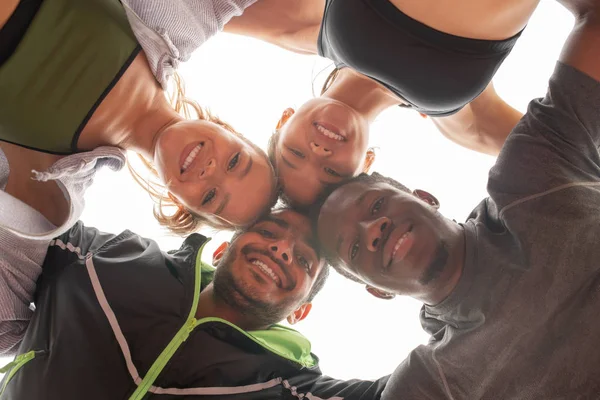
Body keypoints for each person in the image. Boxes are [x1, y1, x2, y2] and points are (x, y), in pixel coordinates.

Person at [312, 0, 600, 396]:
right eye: (355, 249)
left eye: (376, 206)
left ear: (426, 197)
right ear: (379, 291)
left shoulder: (530, 178)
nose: (373, 229)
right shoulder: (430, 383)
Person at [0, 208, 388, 399]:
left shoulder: (290, 385)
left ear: (300, 311)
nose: (281, 249)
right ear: (220, 251)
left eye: (304, 260)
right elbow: (30, 209)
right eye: (269, 231)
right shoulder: (115, 256)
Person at [0, 0, 275, 240]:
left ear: (177, 204)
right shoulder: (184, 20)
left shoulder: (53, 184)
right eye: (235, 161)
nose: (210, 171)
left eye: (210, 197)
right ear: (229, 130)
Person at [222, 0, 535, 206]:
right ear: (366, 165)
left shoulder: (304, 30)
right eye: (331, 170)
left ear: (283, 120)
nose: (318, 151)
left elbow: (183, 18)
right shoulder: (461, 123)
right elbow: (565, 157)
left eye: (295, 153)